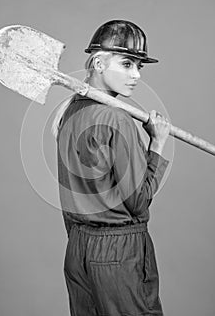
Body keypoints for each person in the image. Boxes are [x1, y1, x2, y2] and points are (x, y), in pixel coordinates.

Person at [52, 20, 171, 316]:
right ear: (99, 63)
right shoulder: (116, 120)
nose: (135, 75)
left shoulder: (68, 111)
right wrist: (156, 143)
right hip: (118, 250)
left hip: (78, 247)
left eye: (139, 67)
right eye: (127, 63)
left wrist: (86, 243)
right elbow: (138, 201)